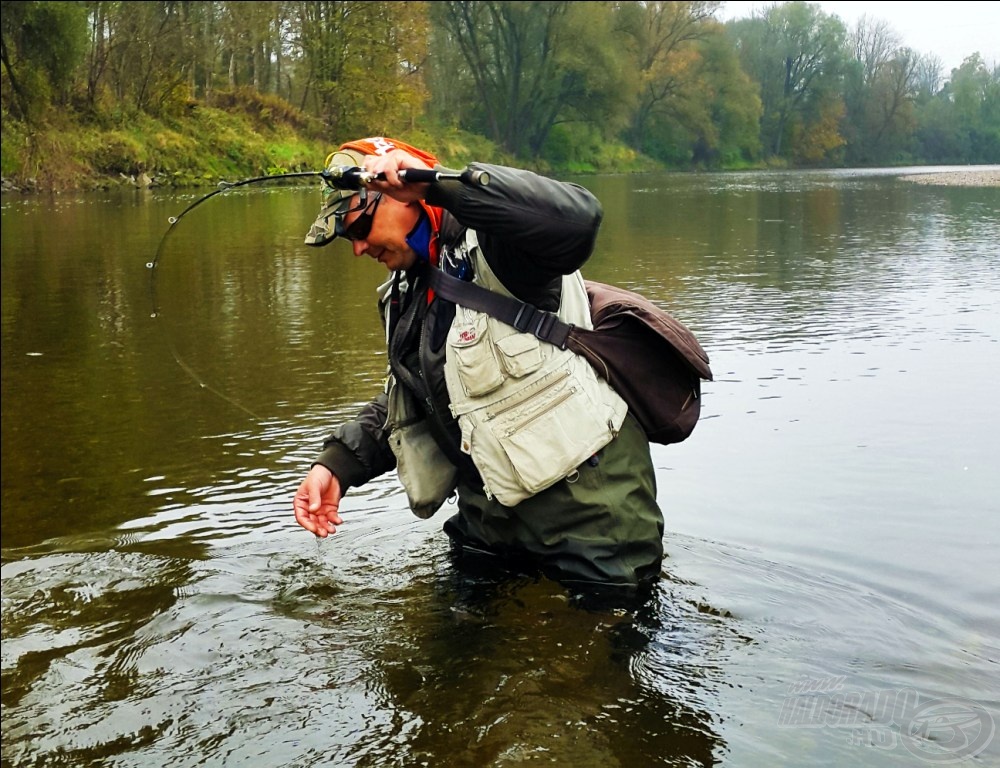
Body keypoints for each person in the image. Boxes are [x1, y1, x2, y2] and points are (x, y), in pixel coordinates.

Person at [293, 136, 664, 597]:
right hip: (489, 524)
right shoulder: (404, 293)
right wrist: (337, 465)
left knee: (594, 664)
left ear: (406, 192)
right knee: (444, 655)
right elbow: (414, 397)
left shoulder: (502, 248)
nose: (358, 248)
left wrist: (442, 186)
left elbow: (578, 218)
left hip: (591, 523)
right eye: (348, 236)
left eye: (362, 226)